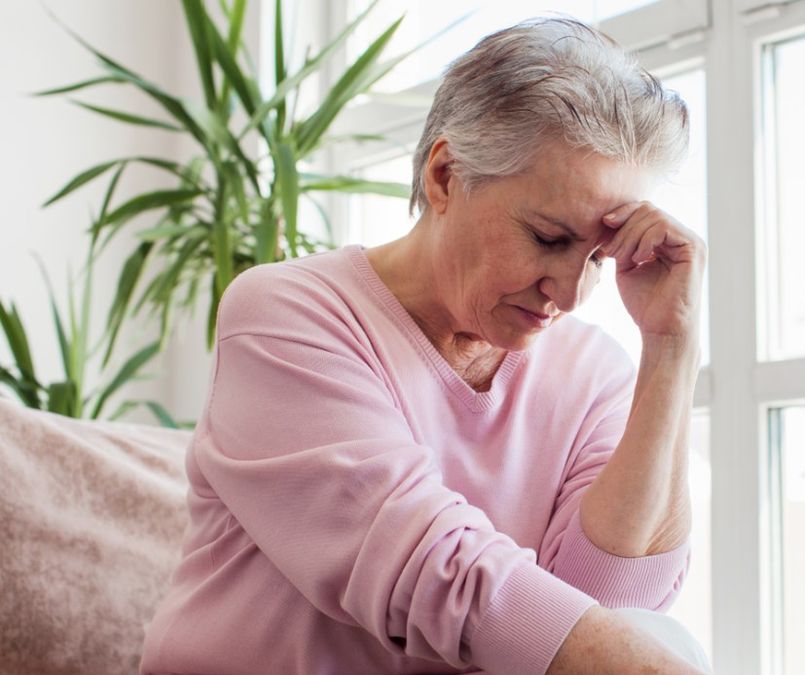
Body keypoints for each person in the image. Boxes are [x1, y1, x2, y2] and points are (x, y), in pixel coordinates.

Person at [140, 16, 709, 675]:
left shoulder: (591, 371)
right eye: (549, 239)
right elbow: (427, 570)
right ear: (445, 175)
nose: (572, 291)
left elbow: (605, 612)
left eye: (599, 257)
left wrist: (673, 344)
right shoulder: (285, 314)